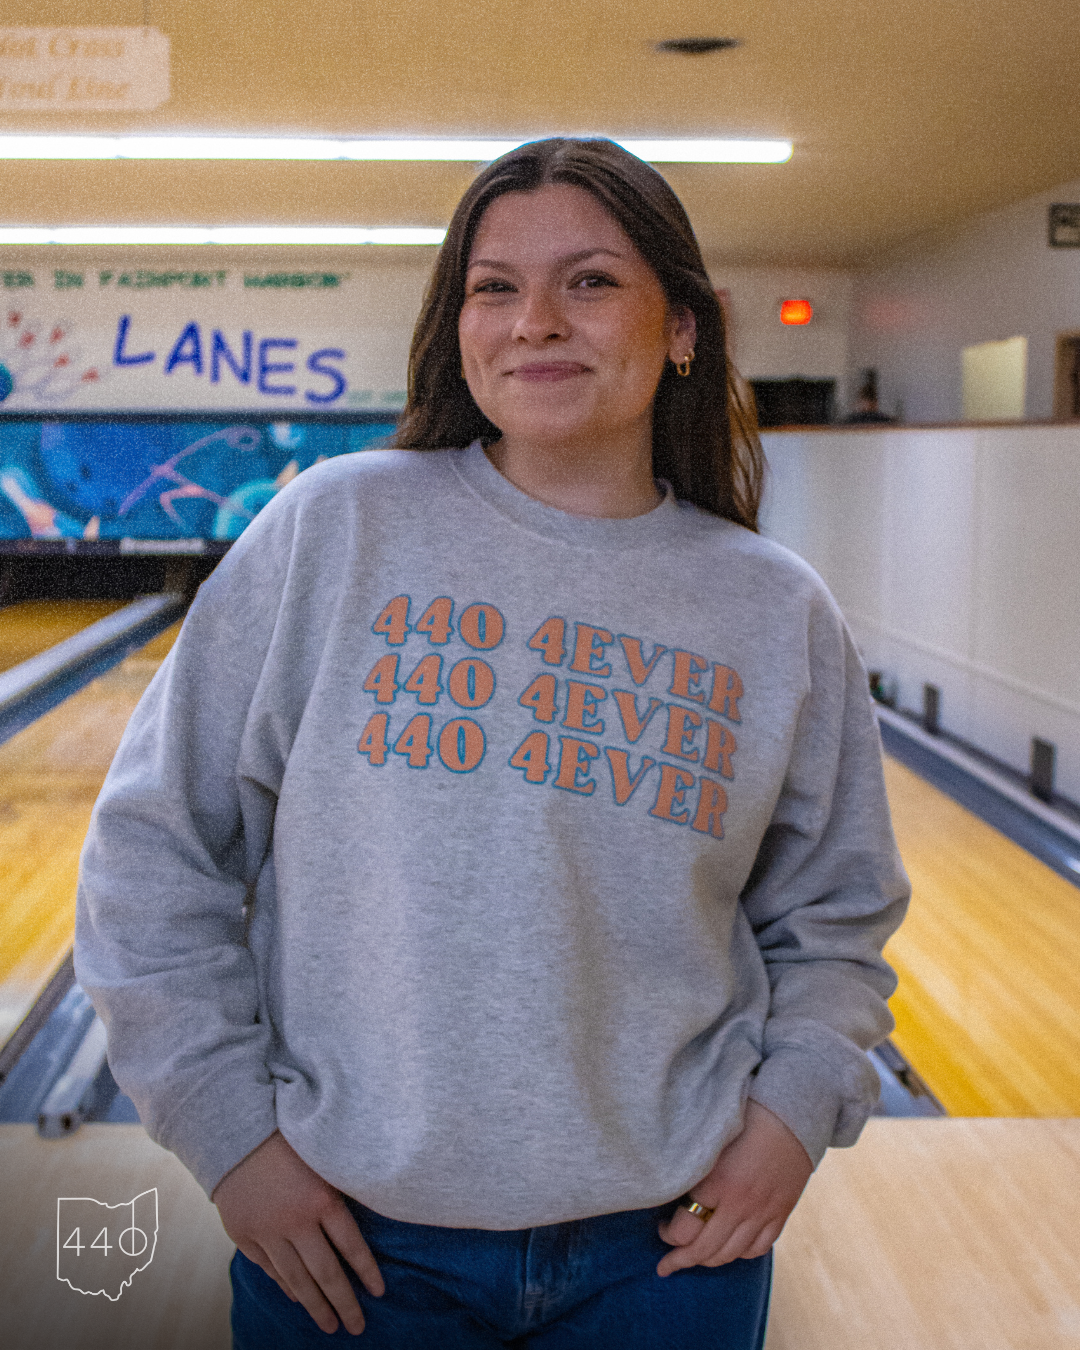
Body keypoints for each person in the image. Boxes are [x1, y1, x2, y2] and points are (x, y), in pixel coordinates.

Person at [75, 138, 910, 1348]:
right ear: (457, 324)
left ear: (682, 326)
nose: (536, 323)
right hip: (354, 1245)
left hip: (666, 1253)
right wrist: (229, 1138)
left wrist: (790, 1121)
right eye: (494, 286)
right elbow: (153, 851)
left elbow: (837, 915)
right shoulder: (336, 528)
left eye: (591, 282)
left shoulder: (772, 610)